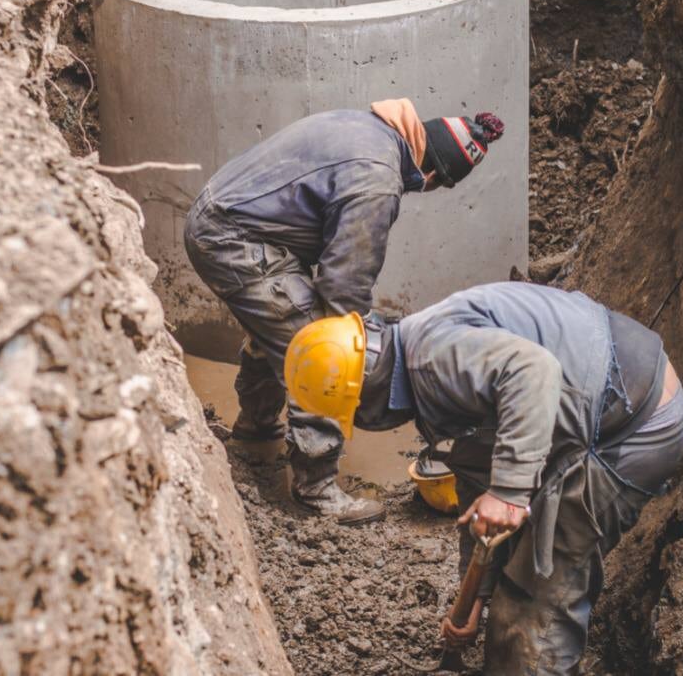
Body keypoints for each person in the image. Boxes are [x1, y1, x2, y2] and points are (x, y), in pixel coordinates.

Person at [283, 282, 683, 673]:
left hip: (635, 423)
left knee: (537, 591)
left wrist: (511, 492)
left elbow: (535, 370)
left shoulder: (431, 359)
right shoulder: (419, 359)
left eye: (358, 416)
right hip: (607, 402)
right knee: (510, 570)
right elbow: (479, 480)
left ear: (366, 396)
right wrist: (474, 595)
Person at [184, 99, 505, 525]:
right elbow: (343, 288)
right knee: (318, 346)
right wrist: (362, 352)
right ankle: (315, 487)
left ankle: (255, 432)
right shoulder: (378, 179)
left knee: (278, 326)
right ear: (432, 175)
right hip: (234, 240)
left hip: (225, 217)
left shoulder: (368, 127)